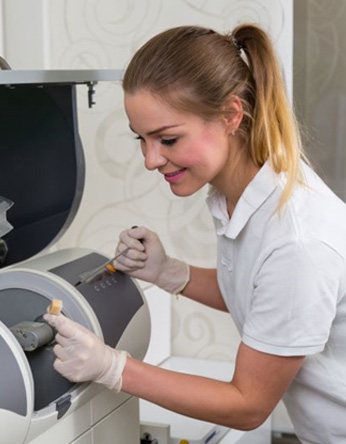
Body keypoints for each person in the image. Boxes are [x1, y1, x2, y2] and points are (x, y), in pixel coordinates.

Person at [44, 23, 346, 443]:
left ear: (231, 115)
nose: (151, 160)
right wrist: (169, 272)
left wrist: (113, 367)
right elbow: (264, 297)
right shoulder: (246, 191)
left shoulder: (297, 239)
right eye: (142, 139)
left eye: (167, 138)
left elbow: (248, 405)